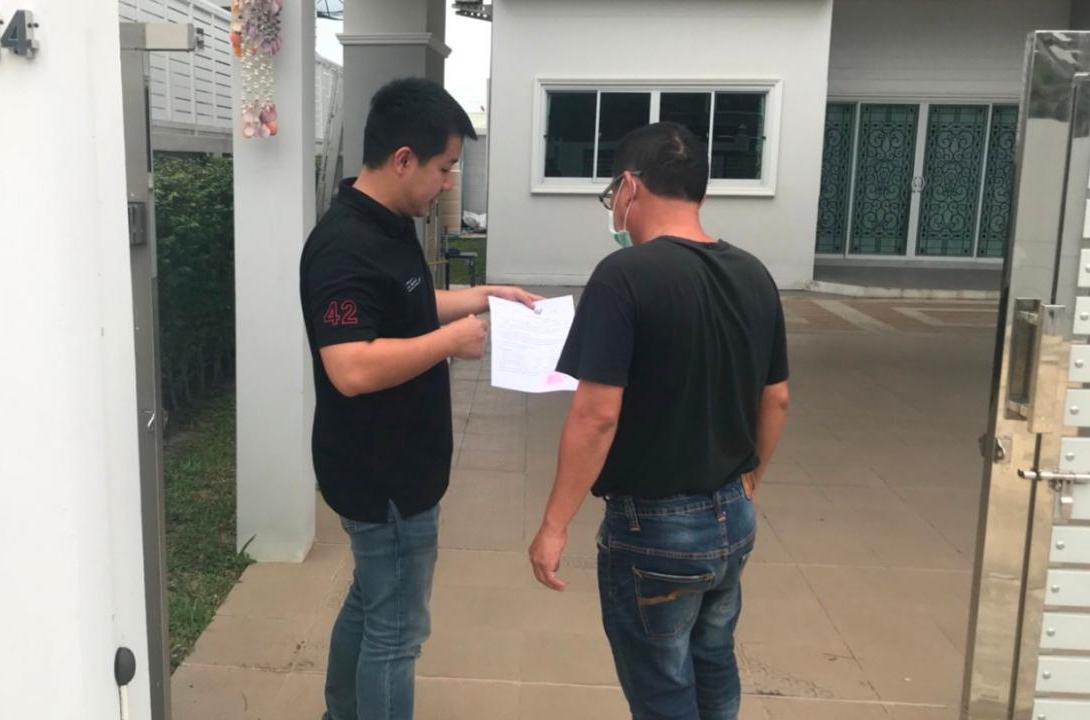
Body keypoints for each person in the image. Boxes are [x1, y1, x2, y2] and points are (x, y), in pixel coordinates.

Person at [527, 122, 791, 720]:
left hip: (655, 531)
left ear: (629, 186)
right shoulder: (753, 273)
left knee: (664, 690)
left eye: (611, 194)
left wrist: (554, 525)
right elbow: (776, 399)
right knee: (714, 662)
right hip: (734, 518)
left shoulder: (623, 276)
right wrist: (751, 478)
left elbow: (597, 416)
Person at [299, 77, 541, 720]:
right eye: (444, 167)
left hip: (398, 467)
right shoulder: (344, 247)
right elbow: (350, 366)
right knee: (397, 633)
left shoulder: (389, 225)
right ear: (403, 159)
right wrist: (450, 343)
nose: (447, 182)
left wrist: (483, 296)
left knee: (372, 601)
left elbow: (404, 305)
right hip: (383, 475)